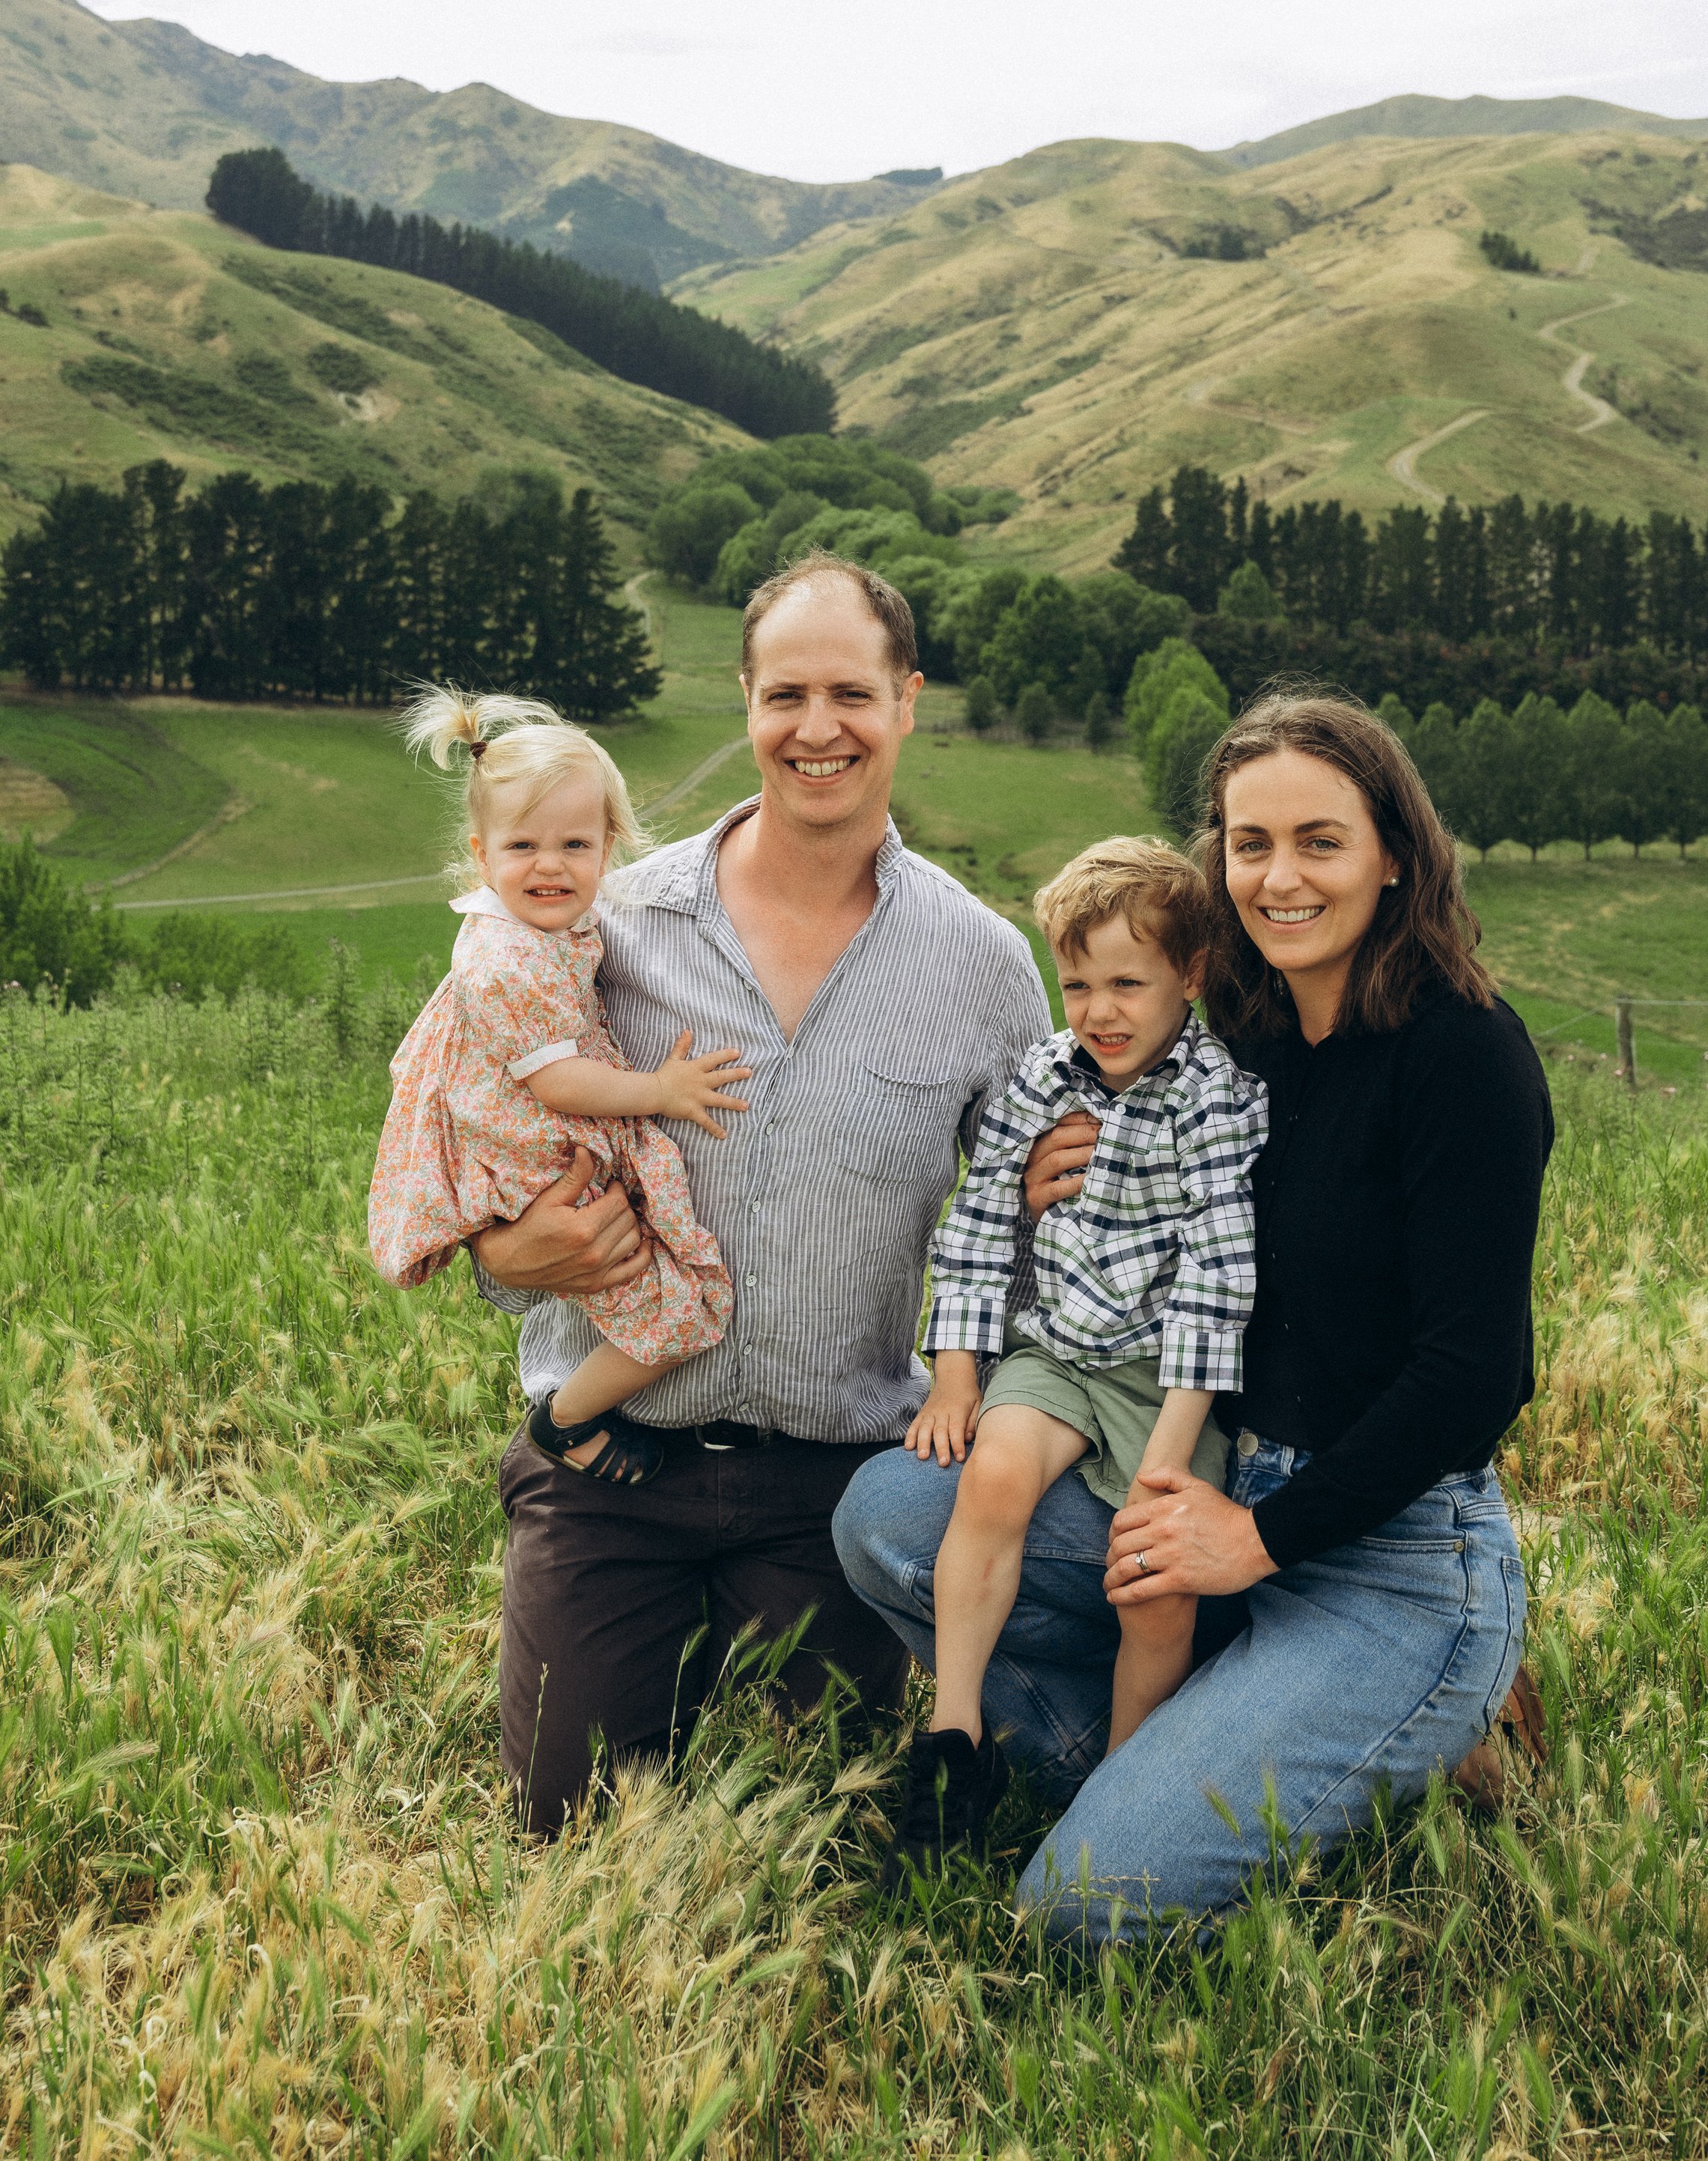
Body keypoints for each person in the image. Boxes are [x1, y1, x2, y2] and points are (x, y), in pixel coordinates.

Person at [835, 687, 1552, 1939]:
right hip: (1205, 1483)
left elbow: (1474, 1377)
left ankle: (1407, 1726)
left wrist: (1261, 1540)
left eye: (1320, 841)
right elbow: (1158, 1234)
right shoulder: (1245, 1040)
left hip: (1388, 1564)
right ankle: (1219, 1736)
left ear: (1395, 855)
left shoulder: (1465, 1054)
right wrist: (1048, 1193)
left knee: (1083, 1910)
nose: (1280, 876)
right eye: (1248, 843)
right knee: (889, 1519)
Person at [466, 555, 1051, 1835]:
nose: (818, 727)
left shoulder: (984, 967)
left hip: (836, 1484)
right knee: (564, 1828)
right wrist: (513, 1252)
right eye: (787, 692)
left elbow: (1018, 1239)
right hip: (612, 1462)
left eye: (852, 691)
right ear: (745, 701)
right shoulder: (600, 924)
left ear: (908, 701)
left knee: (823, 1828)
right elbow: (478, 1134)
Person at [887, 839, 1266, 1879]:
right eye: (1078, 982)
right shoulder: (1044, 1076)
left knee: (1154, 1578)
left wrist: (1173, 1458)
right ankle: (954, 1738)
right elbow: (971, 1225)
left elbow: (1216, 1282)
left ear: (1190, 976)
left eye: (1128, 983)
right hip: (1056, 1347)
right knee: (994, 1474)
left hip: (1162, 1375)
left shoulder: (1218, 1099)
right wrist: (959, 1368)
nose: (1100, 1010)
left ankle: (1124, 1787)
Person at [368, 687, 742, 1483]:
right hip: (539, 1163)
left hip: (543, 1146)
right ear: (481, 853)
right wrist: (662, 1090)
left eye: (574, 844)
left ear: (608, 847)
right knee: (681, 1315)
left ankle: (587, 1410)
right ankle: (566, 1420)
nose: (549, 865)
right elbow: (563, 1081)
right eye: (522, 847)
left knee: (668, 1295)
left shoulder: (545, 931)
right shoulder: (507, 960)